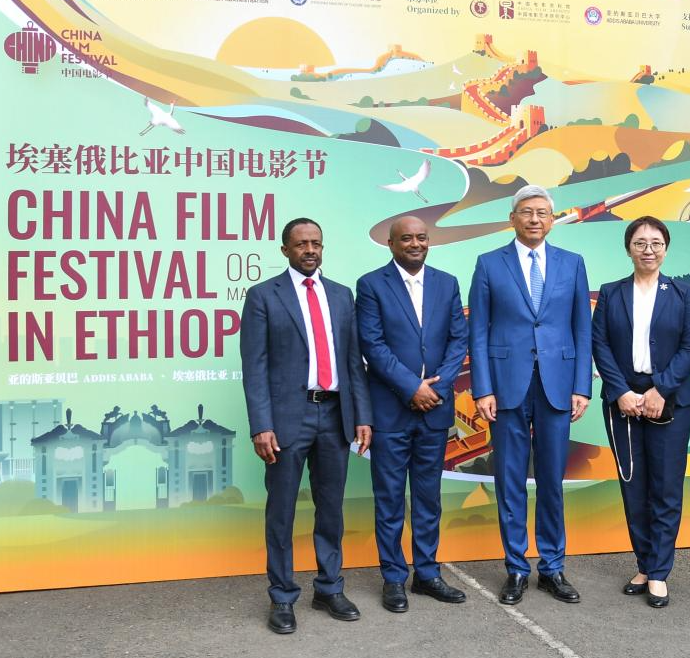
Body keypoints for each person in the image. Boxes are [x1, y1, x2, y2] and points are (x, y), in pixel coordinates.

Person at [240, 217, 373, 635]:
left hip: (334, 415)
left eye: (316, 243)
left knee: (331, 507)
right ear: (285, 250)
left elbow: (353, 363)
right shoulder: (264, 296)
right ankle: (282, 596)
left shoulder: (341, 295)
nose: (310, 250)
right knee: (281, 511)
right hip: (286, 419)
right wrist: (261, 425)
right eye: (301, 244)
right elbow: (254, 367)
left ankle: (329, 588)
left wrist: (362, 415)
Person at [468, 184, 592, 605]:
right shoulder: (489, 264)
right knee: (510, 481)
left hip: (557, 385)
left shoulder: (572, 263)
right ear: (513, 218)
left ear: (552, 219)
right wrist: (483, 388)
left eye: (542, 212)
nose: (535, 218)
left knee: (552, 480)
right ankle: (517, 568)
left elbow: (582, 329)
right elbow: (478, 332)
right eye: (526, 211)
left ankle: (552, 567)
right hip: (506, 386)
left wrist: (582, 386)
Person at [356, 216, 469, 613]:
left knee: (428, 498)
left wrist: (436, 388)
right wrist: (411, 387)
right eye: (407, 238)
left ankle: (426, 573)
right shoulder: (371, 285)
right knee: (389, 499)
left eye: (422, 237)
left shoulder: (447, 283)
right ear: (391, 244)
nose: (416, 244)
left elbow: (459, 339)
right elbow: (372, 344)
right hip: (391, 411)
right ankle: (393, 578)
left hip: (435, 410)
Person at [591, 217, 690, 609]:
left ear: (666, 249)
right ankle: (644, 563)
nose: (648, 249)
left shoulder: (683, 293)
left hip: (669, 401)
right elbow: (600, 344)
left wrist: (660, 389)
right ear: (629, 249)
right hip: (622, 402)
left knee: (666, 488)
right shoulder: (611, 293)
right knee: (633, 486)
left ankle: (658, 572)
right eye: (640, 242)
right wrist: (621, 391)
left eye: (656, 242)